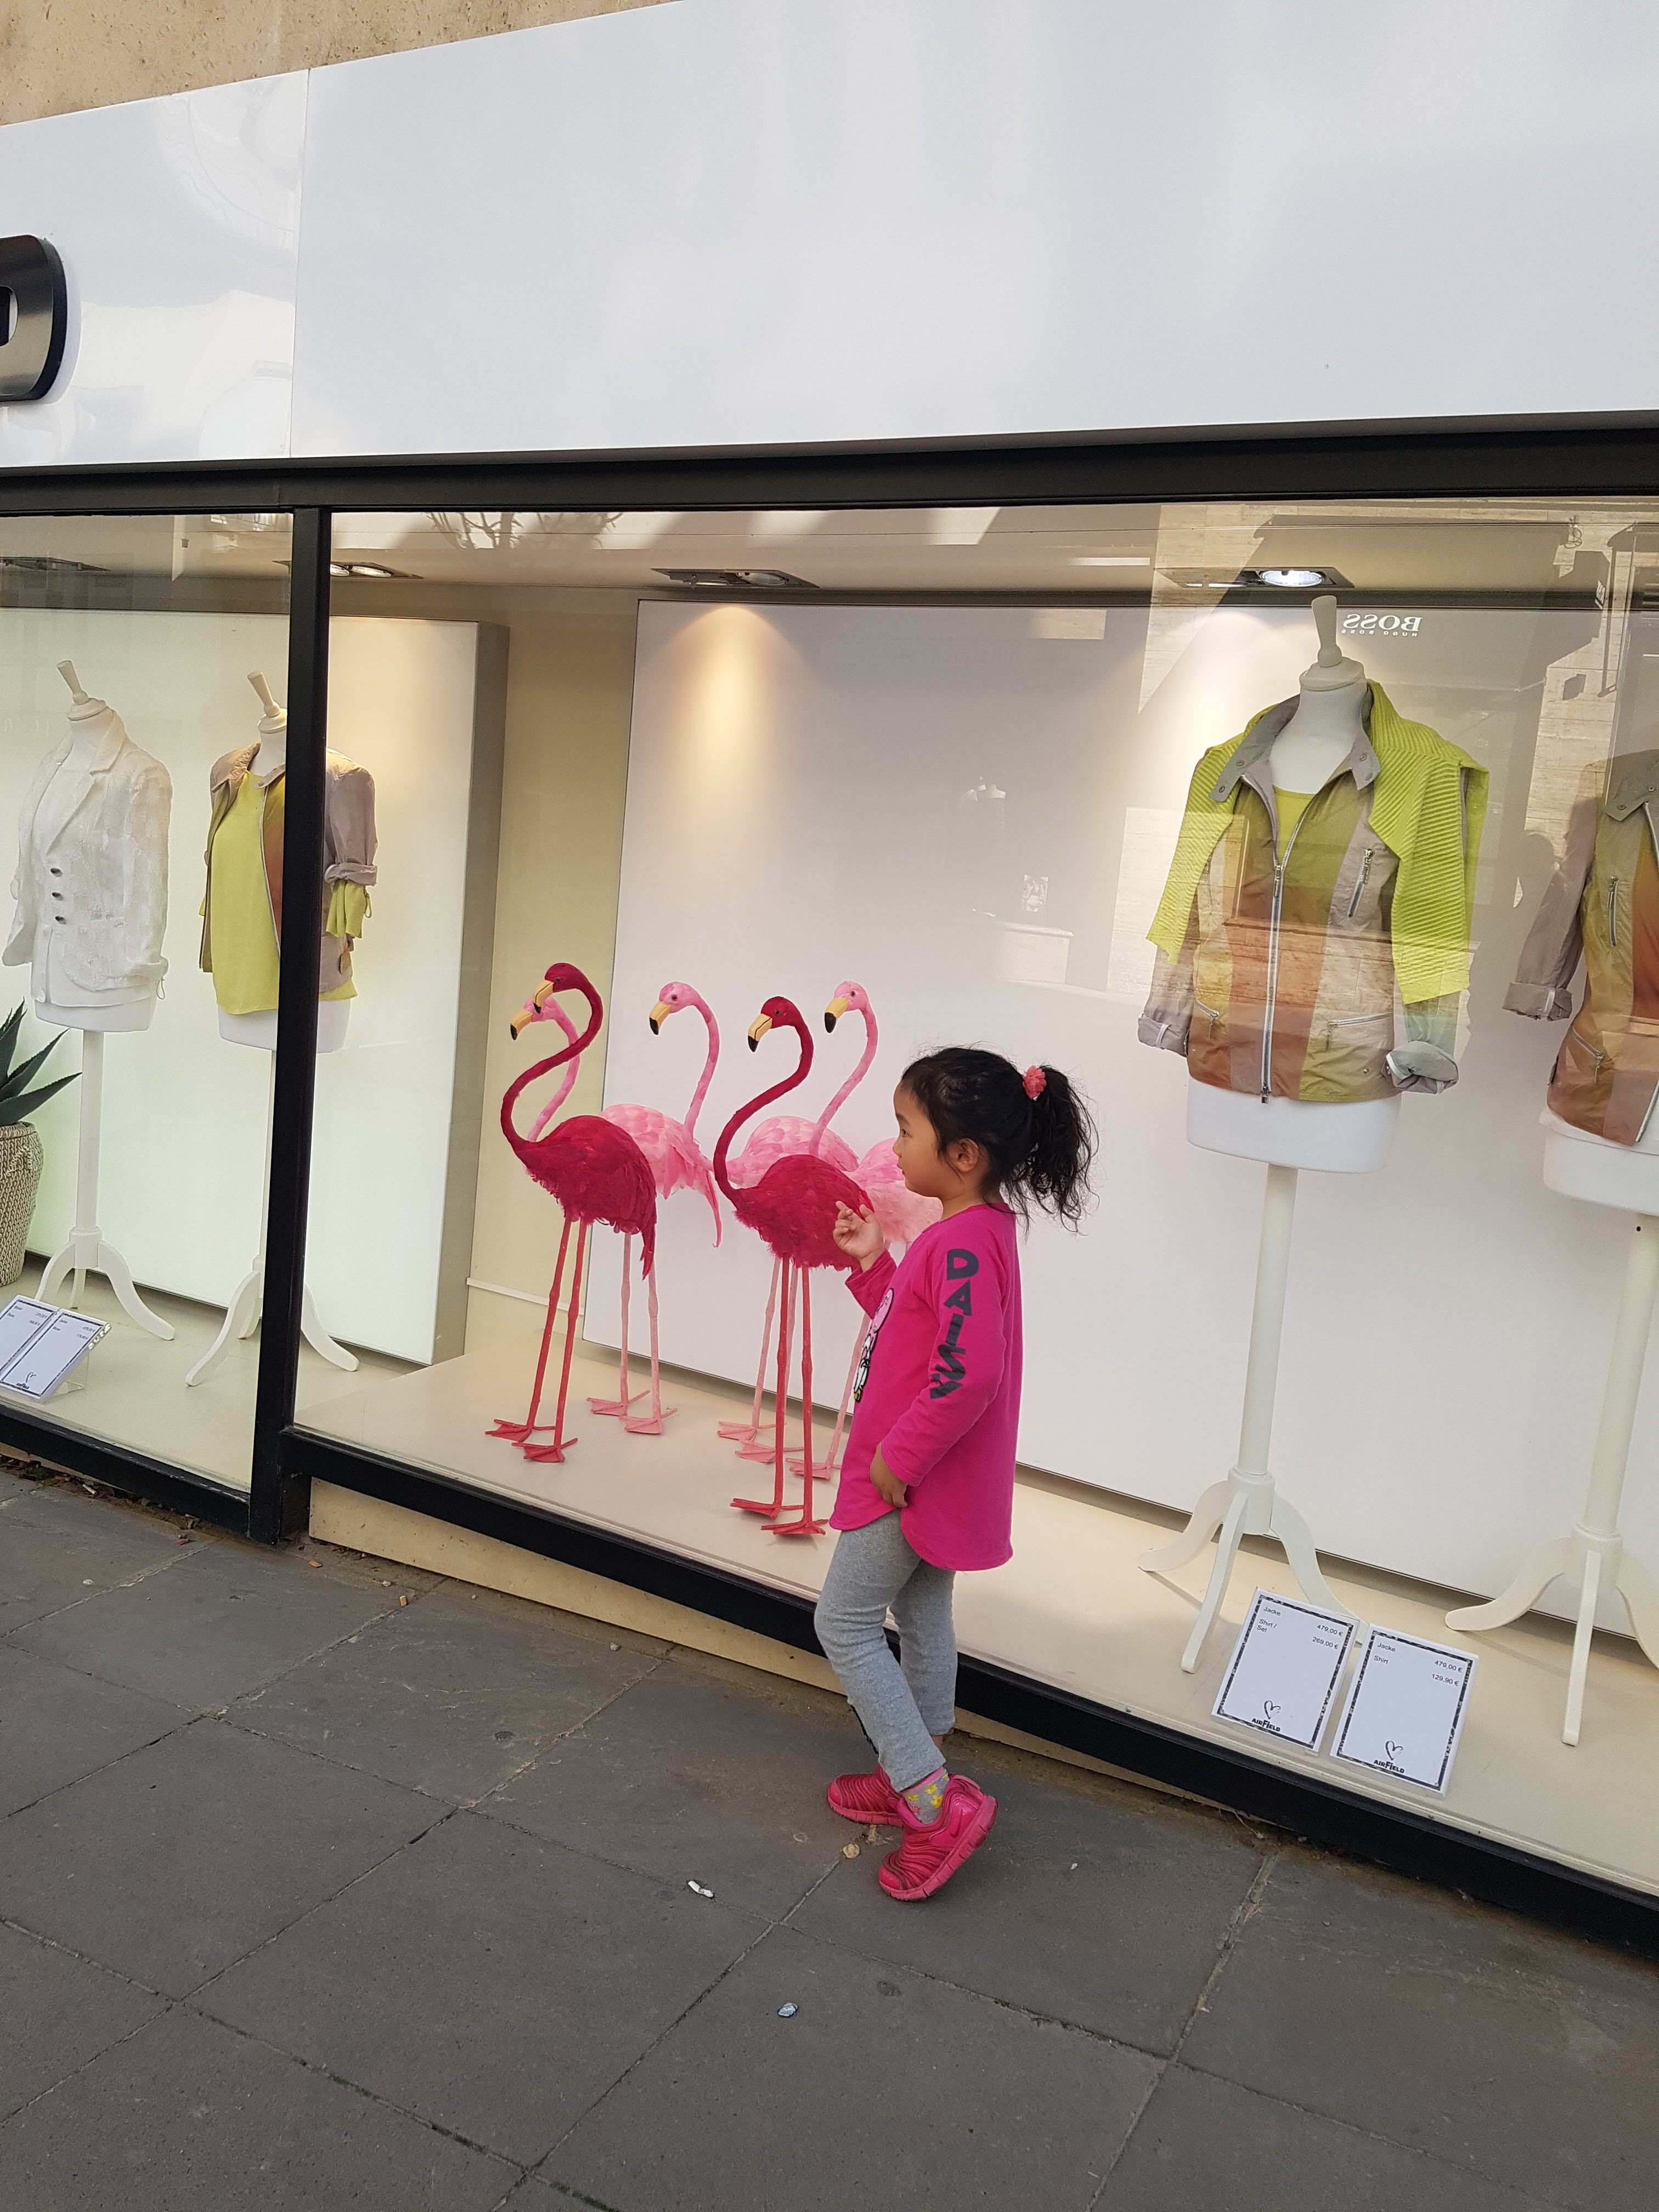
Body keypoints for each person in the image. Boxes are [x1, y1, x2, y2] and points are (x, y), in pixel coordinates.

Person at [816, 1046, 1096, 1901]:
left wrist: (899, 1457)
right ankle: (915, 1765)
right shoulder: (972, 1236)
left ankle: (930, 1802)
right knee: (921, 1611)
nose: (896, 1146)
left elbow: (968, 1371)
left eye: (907, 1130)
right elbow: (917, 1331)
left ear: (964, 1154)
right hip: (928, 1479)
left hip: (908, 1481)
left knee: (845, 1623)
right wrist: (875, 1263)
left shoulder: (963, 1245)